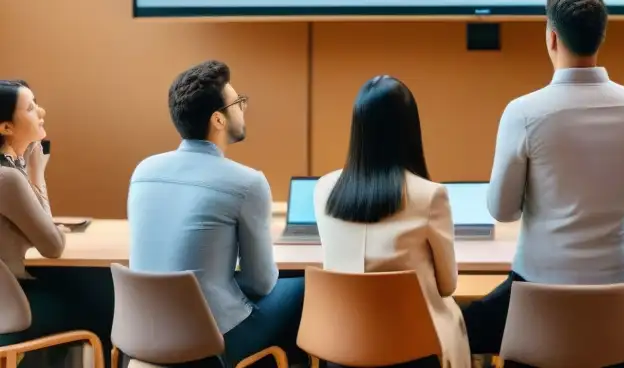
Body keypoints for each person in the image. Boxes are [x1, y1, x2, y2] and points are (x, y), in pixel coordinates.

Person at [462, 0, 624, 357]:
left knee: (463, 326)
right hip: (621, 293)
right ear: (601, 36)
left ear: (552, 38)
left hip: (537, 291)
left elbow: (502, 210)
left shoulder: (524, 112)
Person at [127, 61, 304, 366]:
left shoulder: (143, 170)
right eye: (238, 103)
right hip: (212, 342)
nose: (243, 109)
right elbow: (260, 283)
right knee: (305, 287)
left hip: (143, 334)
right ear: (218, 119)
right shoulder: (247, 183)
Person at [314, 76, 470, 368]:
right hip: (411, 351)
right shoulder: (430, 196)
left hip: (341, 347)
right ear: (409, 129)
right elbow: (447, 285)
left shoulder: (324, 189)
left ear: (357, 127)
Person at [0, 80, 115, 354]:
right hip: (14, 310)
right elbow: (53, 246)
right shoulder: (8, 179)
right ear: (6, 127)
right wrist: (37, 174)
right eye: (30, 107)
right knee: (105, 301)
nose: (41, 112)